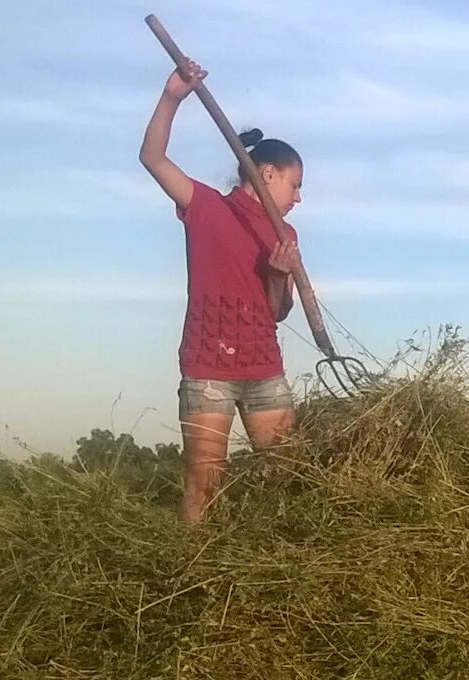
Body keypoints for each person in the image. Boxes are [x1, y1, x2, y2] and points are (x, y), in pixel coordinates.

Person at [139, 57, 304, 523]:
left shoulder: (285, 237)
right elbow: (152, 158)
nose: (298, 197)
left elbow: (278, 313)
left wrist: (278, 275)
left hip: (264, 368)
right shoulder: (205, 206)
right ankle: (191, 580)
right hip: (208, 366)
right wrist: (173, 96)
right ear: (267, 174)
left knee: (286, 479)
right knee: (204, 481)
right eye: (295, 184)